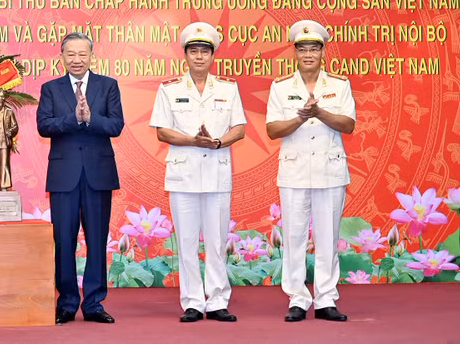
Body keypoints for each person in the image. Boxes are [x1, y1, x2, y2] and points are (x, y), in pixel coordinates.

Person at [150, 22, 246, 323]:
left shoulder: (228, 89)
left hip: (217, 174)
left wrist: (216, 142)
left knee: (217, 242)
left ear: (212, 55)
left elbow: (240, 129)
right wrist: (194, 141)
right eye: (194, 51)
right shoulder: (169, 89)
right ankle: (192, 302)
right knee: (187, 243)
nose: (199, 57)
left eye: (205, 51)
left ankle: (217, 301)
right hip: (184, 176)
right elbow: (162, 132)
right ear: (186, 55)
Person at [265, 20, 356, 322]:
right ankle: (297, 298)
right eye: (302, 49)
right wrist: (302, 118)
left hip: (330, 172)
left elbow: (348, 124)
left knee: (327, 236)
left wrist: (320, 112)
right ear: (294, 52)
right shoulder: (281, 87)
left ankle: (326, 298)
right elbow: (273, 130)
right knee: (293, 237)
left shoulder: (339, 85)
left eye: (313, 48)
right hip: (294, 172)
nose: (308, 54)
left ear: (322, 52)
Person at [36, 32, 124, 325]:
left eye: (82, 54)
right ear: (61, 57)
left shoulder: (108, 85)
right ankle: (67, 303)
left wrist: (89, 119)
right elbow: (44, 126)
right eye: (70, 54)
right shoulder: (50, 88)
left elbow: (115, 125)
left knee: (97, 240)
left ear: (91, 56)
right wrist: (73, 119)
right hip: (64, 176)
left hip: (98, 174)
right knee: (64, 240)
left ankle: (94, 304)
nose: (76, 60)